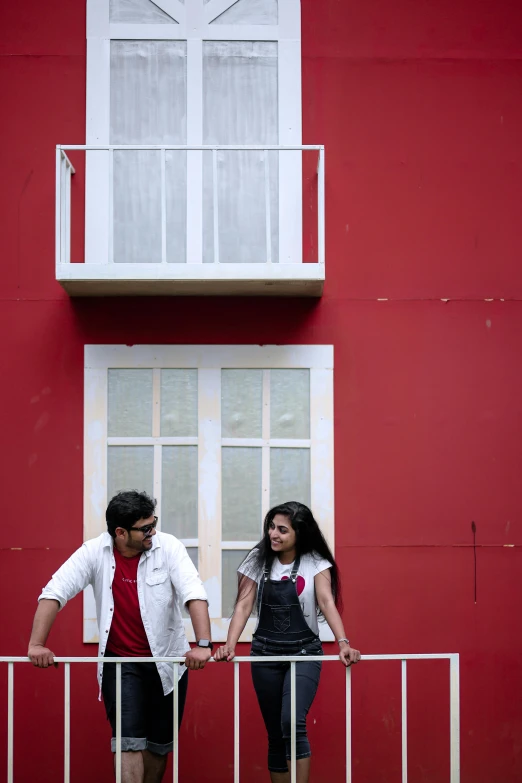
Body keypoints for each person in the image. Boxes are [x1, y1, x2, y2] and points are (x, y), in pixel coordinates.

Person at [28, 490, 213, 783]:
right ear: (120, 532)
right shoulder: (94, 551)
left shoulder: (169, 547)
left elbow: (194, 593)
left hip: (167, 663)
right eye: (145, 528)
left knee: (158, 747)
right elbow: (54, 592)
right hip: (121, 665)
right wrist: (36, 644)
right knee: (127, 742)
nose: (153, 532)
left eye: (154, 523)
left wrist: (203, 644)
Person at [215, 501, 360, 783]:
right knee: (275, 733)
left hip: (304, 652)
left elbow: (326, 601)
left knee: (291, 722)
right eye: (271, 527)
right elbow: (243, 605)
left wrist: (343, 642)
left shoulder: (315, 562)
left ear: (299, 533)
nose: (273, 534)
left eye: (282, 529)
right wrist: (230, 644)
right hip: (265, 654)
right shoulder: (257, 559)